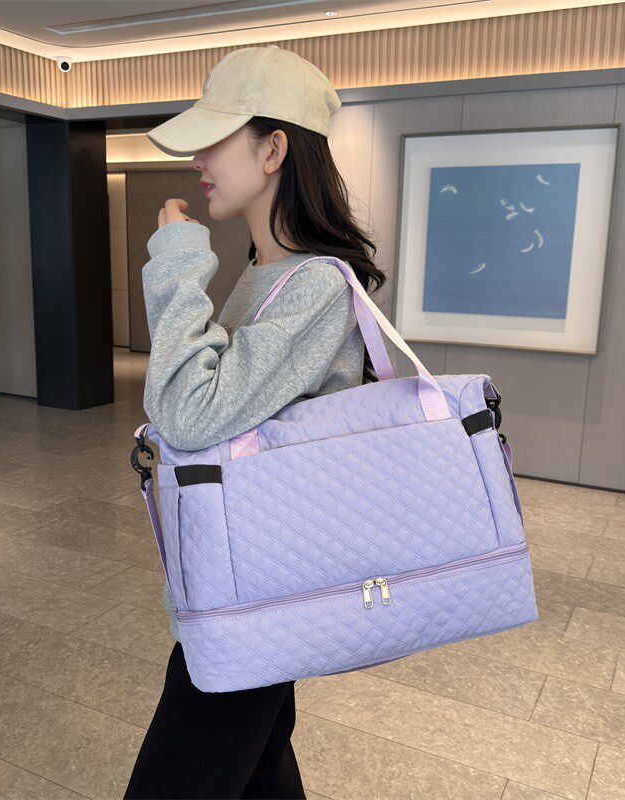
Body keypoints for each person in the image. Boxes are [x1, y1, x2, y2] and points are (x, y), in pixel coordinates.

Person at [123, 44, 388, 799]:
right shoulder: (267, 274)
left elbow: (188, 411)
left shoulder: (315, 288)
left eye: (217, 138)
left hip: (255, 597)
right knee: (261, 768)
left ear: (273, 150)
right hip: (250, 581)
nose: (199, 159)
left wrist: (177, 259)